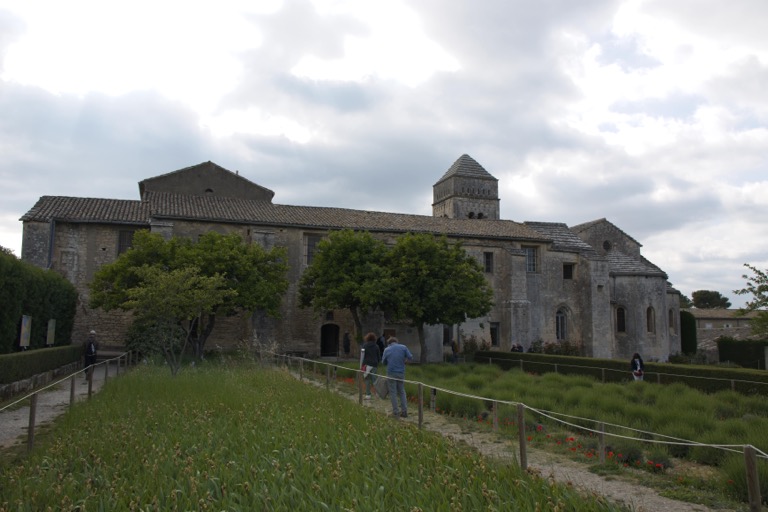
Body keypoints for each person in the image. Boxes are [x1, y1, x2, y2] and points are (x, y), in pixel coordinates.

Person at [381, 336, 413, 418]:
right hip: (401, 372)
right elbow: (410, 357)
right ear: (396, 341)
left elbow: (383, 362)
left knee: (393, 393)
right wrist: (405, 362)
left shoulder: (387, 349)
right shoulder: (403, 347)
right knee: (402, 391)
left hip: (391, 373)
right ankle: (404, 411)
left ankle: (395, 412)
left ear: (389, 343)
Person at [361, 332, 381, 399]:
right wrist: (378, 362)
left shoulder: (365, 345)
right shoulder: (376, 346)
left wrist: (361, 364)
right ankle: (377, 394)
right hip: (374, 365)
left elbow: (362, 355)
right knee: (374, 380)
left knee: (367, 380)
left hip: (366, 365)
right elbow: (378, 356)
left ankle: (368, 395)